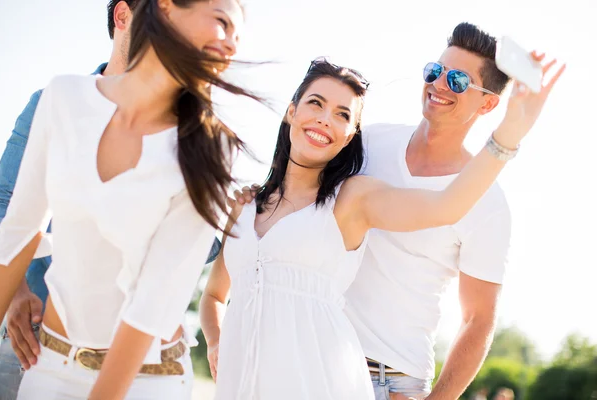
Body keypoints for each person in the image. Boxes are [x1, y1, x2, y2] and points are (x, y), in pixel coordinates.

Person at [200, 50, 563, 399]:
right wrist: (217, 343)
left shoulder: (351, 201)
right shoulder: (245, 207)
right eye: (315, 103)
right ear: (291, 112)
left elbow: (446, 206)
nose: (326, 118)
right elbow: (214, 294)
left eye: (343, 115)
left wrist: (509, 134)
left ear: (351, 135)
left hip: (332, 380)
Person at [0, 0, 252, 398]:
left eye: (239, 35)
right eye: (223, 22)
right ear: (165, 8)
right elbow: (17, 231)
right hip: (46, 366)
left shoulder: (211, 146)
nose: (232, 44)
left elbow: (155, 301)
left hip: (152, 376)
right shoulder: (62, 98)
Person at [343, 22, 565, 400]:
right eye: (435, 71)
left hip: (394, 380)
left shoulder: (489, 204)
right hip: (319, 354)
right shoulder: (367, 142)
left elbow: (478, 321)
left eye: (458, 80)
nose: (439, 84)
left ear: (488, 103)